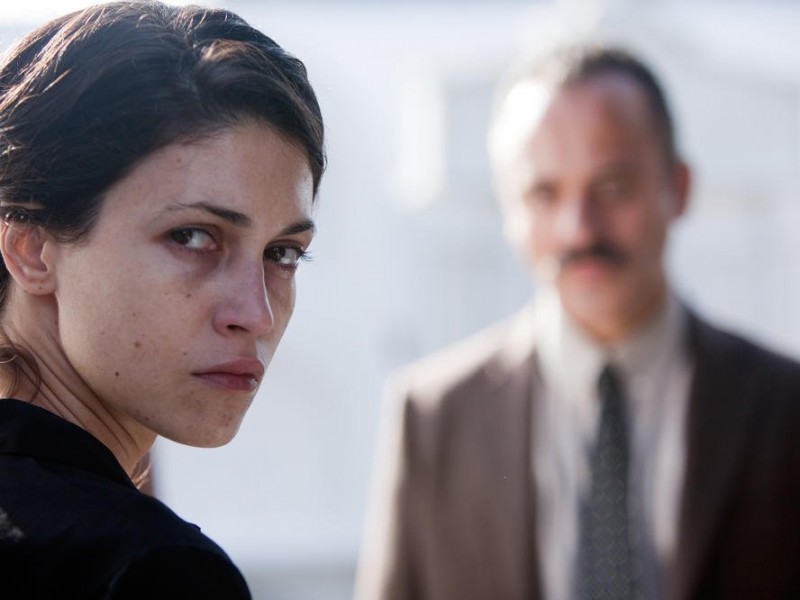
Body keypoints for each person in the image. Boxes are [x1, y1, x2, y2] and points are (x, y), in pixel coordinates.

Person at [354, 44, 800, 600]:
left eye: (613, 187)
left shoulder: (785, 409)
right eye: (543, 193)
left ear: (678, 188)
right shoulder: (431, 418)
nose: (579, 229)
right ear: (508, 208)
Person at [0, 2, 325, 598]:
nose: (256, 315)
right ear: (32, 248)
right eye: (193, 237)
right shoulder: (150, 571)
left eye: (282, 253)